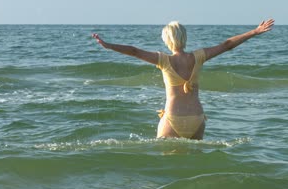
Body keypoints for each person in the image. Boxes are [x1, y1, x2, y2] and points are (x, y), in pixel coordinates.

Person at [92, 19, 274, 140]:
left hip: (173, 119)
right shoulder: (199, 56)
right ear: (184, 38)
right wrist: (255, 31)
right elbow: (227, 45)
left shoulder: (163, 60)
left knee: (166, 167)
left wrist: (108, 46)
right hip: (197, 119)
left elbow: (134, 51)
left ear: (167, 40)